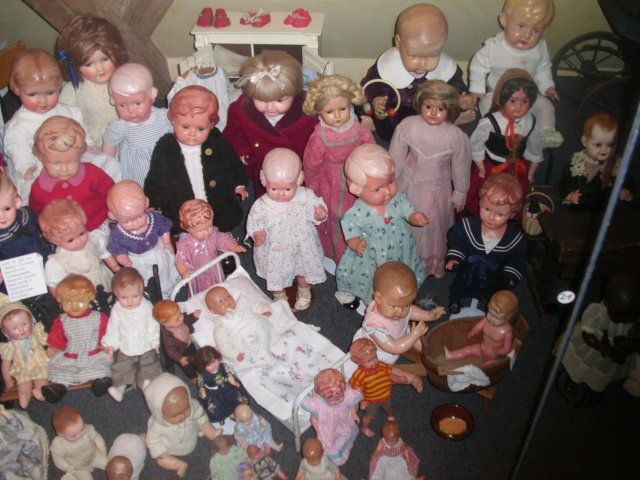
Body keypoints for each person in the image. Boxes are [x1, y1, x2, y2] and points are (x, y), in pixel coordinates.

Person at [389, 80, 471, 277]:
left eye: (441, 109)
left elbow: (461, 166)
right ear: (420, 104)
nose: (433, 113)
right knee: (404, 223)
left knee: (433, 227)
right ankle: (402, 262)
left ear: (449, 109)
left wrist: (460, 192)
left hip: (438, 191)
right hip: (408, 186)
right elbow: (395, 158)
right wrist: (389, 181)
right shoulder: (408, 126)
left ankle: (428, 265)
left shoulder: (456, 136)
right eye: (428, 106)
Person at [360, 3, 473, 143]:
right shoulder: (387, 66)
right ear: (399, 43)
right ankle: (378, 127)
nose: (423, 63)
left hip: (431, 112)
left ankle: (455, 121)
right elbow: (371, 85)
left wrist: (461, 98)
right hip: (399, 114)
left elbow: (456, 85)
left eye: (432, 56)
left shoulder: (446, 68)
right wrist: (377, 98)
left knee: (444, 116)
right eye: (414, 56)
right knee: (385, 123)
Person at [336, 144, 426, 313]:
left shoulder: (398, 199)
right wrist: (356, 243)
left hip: (400, 248)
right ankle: (357, 293)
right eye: (378, 189)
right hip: (371, 255)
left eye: (390, 182)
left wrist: (414, 217)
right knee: (369, 276)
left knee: (401, 271)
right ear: (357, 189)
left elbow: (407, 210)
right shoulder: (358, 211)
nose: (388, 192)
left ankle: (401, 290)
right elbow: (350, 228)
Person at [145, 85, 248, 234]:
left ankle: (222, 237)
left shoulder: (216, 141)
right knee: (185, 229)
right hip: (182, 203)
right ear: (173, 120)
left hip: (217, 201)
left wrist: (239, 184)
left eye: (201, 129)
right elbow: (155, 176)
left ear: (211, 125)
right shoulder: (166, 146)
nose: (192, 133)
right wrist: (152, 201)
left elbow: (232, 162)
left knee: (221, 227)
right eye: (185, 126)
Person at [302, 74, 375, 274]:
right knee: (335, 216)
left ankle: (358, 248)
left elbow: (371, 150)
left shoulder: (358, 129)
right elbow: (311, 164)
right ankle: (334, 254)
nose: (337, 116)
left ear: (349, 104)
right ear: (319, 111)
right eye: (329, 111)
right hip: (330, 181)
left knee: (358, 215)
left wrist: (372, 174)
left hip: (357, 178)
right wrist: (312, 187)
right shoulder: (320, 136)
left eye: (342, 109)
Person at [3, 48, 97, 201]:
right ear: (17, 89)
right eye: (32, 94)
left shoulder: (69, 112)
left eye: (50, 93)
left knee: (104, 165)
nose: (42, 101)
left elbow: (80, 128)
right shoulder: (18, 125)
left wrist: (88, 143)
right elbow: (17, 147)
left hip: (73, 159)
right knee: (32, 190)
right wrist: (26, 165)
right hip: (41, 166)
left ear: (59, 86)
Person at [224, 50, 318, 198]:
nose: (270, 107)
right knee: (267, 199)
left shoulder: (309, 111)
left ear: (295, 93)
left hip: (298, 171)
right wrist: (243, 150)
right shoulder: (241, 110)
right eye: (261, 99)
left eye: (279, 100)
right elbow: (234, 134)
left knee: (300, 200)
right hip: (264, 171)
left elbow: (320, 137)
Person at [469, 0, 563, 148]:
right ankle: (499, 132)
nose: (527, 35)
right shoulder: (494, 47)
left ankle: (545, 132)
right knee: (486, 106)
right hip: (498, 94)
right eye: (521, 26)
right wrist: (477, 89)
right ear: (504, 20)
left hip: (527, 94)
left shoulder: (539, 48)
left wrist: (547, 86)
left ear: (544, 31)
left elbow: (543, 68)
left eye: (536, 30)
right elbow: (478, 66)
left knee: (546, 106)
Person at [246, 148, 328, 310]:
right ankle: (279, 295)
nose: (281, 194)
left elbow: (316, 211)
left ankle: (304, 291)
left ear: (299, 180)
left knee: (303, 268)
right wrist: (257, 233)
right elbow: (254, 221)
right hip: (276, 248)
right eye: (274, 189)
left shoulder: (305, 196)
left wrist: (319, 214)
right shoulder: (262, 205)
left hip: (302, 245)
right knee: (276, 272)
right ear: (264, 180)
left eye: (287, 189)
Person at [466, 69, 542, 216]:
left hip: (516, 170)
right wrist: (480, 166)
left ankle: (508, 220)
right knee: (489, 198)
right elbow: (476, 143)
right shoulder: (491, 121)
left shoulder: (530, 121)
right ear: (502, 99)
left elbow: (534, 146)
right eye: (513, 101)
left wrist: (531, 171)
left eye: (524, 101)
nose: (518, 106)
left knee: (512, 200)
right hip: (491, 169)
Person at [446, 173, 526, 314]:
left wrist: (511, 274)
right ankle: (455, 300)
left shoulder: (514, 238)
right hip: (468, 270)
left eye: (500, 214)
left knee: (495, 293)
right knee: (460, 285)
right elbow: (457, 239)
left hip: (494, 275)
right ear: (480, 203)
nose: (491, 217)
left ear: (512, 214)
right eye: (487, 209)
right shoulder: (468, 226)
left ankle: (491, 306)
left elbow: (517, 258)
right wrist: (455, 257)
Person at [28, 116, 118, 229]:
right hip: (65, 234)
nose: (64, 169)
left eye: (71, 162)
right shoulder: (39, 188)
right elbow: (37, 215)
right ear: (41, 157)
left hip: (100, 224)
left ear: (81, 155)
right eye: (56, 163)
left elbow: (113, 194)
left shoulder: (92, 173)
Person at [56, 14, 128, 146]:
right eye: (89, 64)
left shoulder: (125, 78)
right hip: (95, 142)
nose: (100, 68)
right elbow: (63, 117)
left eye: (105, 59)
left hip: (128, 134)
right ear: (75, 65)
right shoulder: (75, 89)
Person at [353, 261, 444, 365]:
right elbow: (394, 347)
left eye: (406, 305)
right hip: (384, 352)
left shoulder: (396, 305)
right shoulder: (374, 326)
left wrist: (429, 315)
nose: (400, 312)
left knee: (425, 347)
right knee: (385, 369)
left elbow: (411, 311)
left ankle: (431, 355)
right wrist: (414, 335)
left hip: (402, 333)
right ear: (378, 299)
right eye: (394, 306)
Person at [42, 274, 113, 403]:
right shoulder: (62, 320)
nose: (74, 306)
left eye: (81, 301)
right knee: (62, 370)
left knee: (101, 367)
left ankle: (99, 382)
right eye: (68, 302)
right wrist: (53, 347)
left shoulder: (98, 317)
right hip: (71, 355)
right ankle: (60, 387)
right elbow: (57, 337)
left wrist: (107, 345)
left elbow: (106, 332)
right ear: (61, 302)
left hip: (93, 353)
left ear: (90, 299)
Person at [102, 63, 173, 185]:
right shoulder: (120, 127)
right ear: (114, 101)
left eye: (138, 103)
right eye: (122, 105)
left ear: (152, 95)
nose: (131, 110)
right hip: (138, 175)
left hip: (166, 168)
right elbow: (109, 147)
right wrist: (105, 170)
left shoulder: (165, 117)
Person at [106, 180, 180, 298]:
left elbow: (164, 228)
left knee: (164, 272)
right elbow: (117, 249)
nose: (136, 223)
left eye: (140, 216)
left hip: (158, 252)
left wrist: (166, 242)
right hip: (137, 260)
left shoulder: (154, 218)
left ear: (146, 203)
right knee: (143, 280)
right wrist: (124, 260)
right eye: (127, 221)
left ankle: (169, 291)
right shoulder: (118, 234)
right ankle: (149, 295)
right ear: (113, 216)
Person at [143, 372, 221, 478]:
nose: (183, 415)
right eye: (175, 415)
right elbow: (152, 441)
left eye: (186, 408)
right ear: (159, 414)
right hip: (170, 449)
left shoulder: (192, 405)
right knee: (160, 459)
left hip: (191, 438)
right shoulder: (157, 427)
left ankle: (212, 433)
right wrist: (159, 452)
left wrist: (208, 428)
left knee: (203, 421)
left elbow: (200, 416)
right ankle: (178, 465)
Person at [101, 267, 162, 402]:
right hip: (126, 346)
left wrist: (156, 343)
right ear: (116, 295)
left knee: (150, 365)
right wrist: (111, 345)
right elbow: (113, 327)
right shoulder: (117, 309)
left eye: (135, 296)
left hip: (145, 345)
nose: (130, 301)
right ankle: (120, 386)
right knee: (121, 366)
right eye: (124, 297)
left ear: (141, 291)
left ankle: (147, 384)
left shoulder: (147, 307)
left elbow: (152, 326)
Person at [38, 199, 116, 293]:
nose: (79, 241)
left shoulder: (93, 240)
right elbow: (54, 284)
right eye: (70, 240)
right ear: (55, 241)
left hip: (104, 279)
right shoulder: (59, 261)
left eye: (82, 233)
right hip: (80, 292)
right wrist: (60, 298)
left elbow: (104, 253)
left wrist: (115, 267)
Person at [349, 338, 423, 437]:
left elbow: (389, 373)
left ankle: (390, 415)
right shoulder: (359, 375)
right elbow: (357, 391)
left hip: (386, 395)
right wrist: (361, 401)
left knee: (390, 408)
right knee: (369, 417)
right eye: (369, 361)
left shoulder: (381, 365)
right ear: (357, 361)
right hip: (371, 401)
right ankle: (364, 427)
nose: (374, 362)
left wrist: (396, 378)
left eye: (375, 357)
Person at [559, 112, 633, 211]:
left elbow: (630, 182)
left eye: (610, 145)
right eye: (598, 145)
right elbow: (563, 185)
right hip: (582, 210)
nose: (604, 149)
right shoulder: (575, 165)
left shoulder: (617, 166)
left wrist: (625, 191)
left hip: (610, 211)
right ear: (585, 141)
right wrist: (570, 195)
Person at [176, 199, 246, 295]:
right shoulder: (185, 244)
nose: (207, 232)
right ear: (187, 229)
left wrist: (233, 246)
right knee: (200, 293)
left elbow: (222, 239)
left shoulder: (213, 234)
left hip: (214, 268)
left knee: (218, 286)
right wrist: (184, 271)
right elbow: (180, 261)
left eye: (209, 227)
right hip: (197, 274)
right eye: (200, 231)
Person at [0, 174, 54, 294]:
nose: (2, 216)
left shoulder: (28, 216)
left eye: (7, 208)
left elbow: (47, 231)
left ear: (16, 202)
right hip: (20, 284)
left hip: (49, 265)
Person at [301, 368, 362, 466]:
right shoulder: (319, 405)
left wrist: (354, 414)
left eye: (340, 397)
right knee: (329, 444)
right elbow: (313, 419)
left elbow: (351, 404)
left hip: (344, 420)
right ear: (321, 395)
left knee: (346, 432)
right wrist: (319, 430)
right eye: (332, 399)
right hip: (328, 426)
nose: (337, 400)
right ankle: (336, 457)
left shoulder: (346, 394)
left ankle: (345, 446)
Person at [0, 301, 49, 408]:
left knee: (42, 381)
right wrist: (8, 380)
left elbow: (50, 341)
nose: (21, 329)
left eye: (24, 324)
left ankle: (40, 392)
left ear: (31, 321)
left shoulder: (37, 334)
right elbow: (6, 364)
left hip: (40, 365)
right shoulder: (9, 346)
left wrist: (56, 348)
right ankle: (24, 397)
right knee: (23, 385)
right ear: (6, 332)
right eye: (15, 328)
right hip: (22, 370)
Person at [445, 290, 518, 361]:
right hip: (481, 347)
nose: (491, 318)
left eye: (497, 318)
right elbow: (477, 327)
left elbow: (506, 348)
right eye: (490, 313)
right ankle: (450, 355)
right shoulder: (486, 320)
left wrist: (499, 352)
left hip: (492, 355)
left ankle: (483, 367)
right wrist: (473, 332)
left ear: (507, 319)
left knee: (487, 366)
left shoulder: (507, 332)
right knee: (467, 349)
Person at [190, 345, 250, 424]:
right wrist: (202, 390)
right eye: (209, 365)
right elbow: (200, 382)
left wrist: (232, 380)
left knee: (237, 397)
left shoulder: (223, 366)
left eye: (214, 361)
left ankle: (236, 410)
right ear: (203, 366)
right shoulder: (203, 375)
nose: (214, 365)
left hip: (228, 387)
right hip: (214, 393)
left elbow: (229, 373)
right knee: (216, 407)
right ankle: (224, 416)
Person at [50, 406, 108, 480]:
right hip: (78, 467)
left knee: (110, 464)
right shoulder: (59, 445)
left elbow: (96, 436)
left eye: (82, 429)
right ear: (60, 435)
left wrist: (101, 446)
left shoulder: (87, 430)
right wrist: (67, 467)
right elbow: (58, 459)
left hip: (94, 455)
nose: (80, 435)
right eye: (74, 436)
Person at [152, 300, 199, 379]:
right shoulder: (168, 337)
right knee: (188, 366)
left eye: (180, 314)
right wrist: (180, 358)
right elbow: (171, 351)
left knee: (196, 357)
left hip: (189, 343)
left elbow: (187, 319)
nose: (181, 318)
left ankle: (198, 367)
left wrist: (194, 316)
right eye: (177, 319)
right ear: (165, 323)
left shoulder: (178, 318)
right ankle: (193, 377)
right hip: (181, 352)